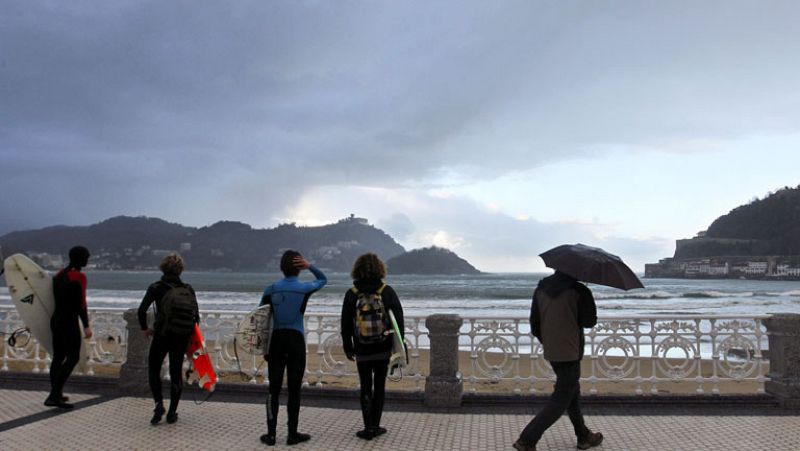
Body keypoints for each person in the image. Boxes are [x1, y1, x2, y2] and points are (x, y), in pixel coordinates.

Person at [514, 270, 603, 451]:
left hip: (552, 350)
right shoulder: (579, 290)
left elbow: (535, 324)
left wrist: (549, 341)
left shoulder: (541, 289)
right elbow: (589, 321)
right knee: (561, 397)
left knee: (572, 392)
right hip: (571, 350)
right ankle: (527, 439)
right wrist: (585, 300)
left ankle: (583, 436)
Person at [259, 250, 327, 446]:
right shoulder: (305, 288)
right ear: (299, 268)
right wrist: (310, 266)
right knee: (294, 390)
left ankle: (271, 435)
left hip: (276, 341)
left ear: (281, 267)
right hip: (296, 340)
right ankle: (292, 434)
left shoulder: (271, 289)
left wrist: (264, 347)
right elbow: (323, 279)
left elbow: (260, 320)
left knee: (274, 389)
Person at [340, 253, 404, 441]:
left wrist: (348, 347)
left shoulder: (352, 293)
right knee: (380, 386)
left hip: (361, 348)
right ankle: (376, 426)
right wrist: (399, 348)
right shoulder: (386, 291)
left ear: (357, 270)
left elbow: (345, 323)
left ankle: (367, 428)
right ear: (380, 269)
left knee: (366, 386)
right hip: (383, 347)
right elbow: (398, 322)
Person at [137, 253, 199, 425]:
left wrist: (144, 329)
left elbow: (142, 311)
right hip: (181, 336)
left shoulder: (156, 287)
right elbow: (196, 317)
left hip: (162, 335)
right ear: (180, 270)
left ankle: (158, 405)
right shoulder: (188, 289)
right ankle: (172, 412)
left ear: (163, 268)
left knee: (154, 369)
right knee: (175, 372)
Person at [46, 245, 93, 409]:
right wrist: (86, 325)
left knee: (58, 358)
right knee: (73, 357)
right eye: (86, 257)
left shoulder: (59, 275)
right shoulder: (78, 276)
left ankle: (56, 394)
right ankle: (53, 395)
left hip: (56, 320)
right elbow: (81, 304)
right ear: (81, 258)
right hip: (69, 321)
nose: (88, 260)